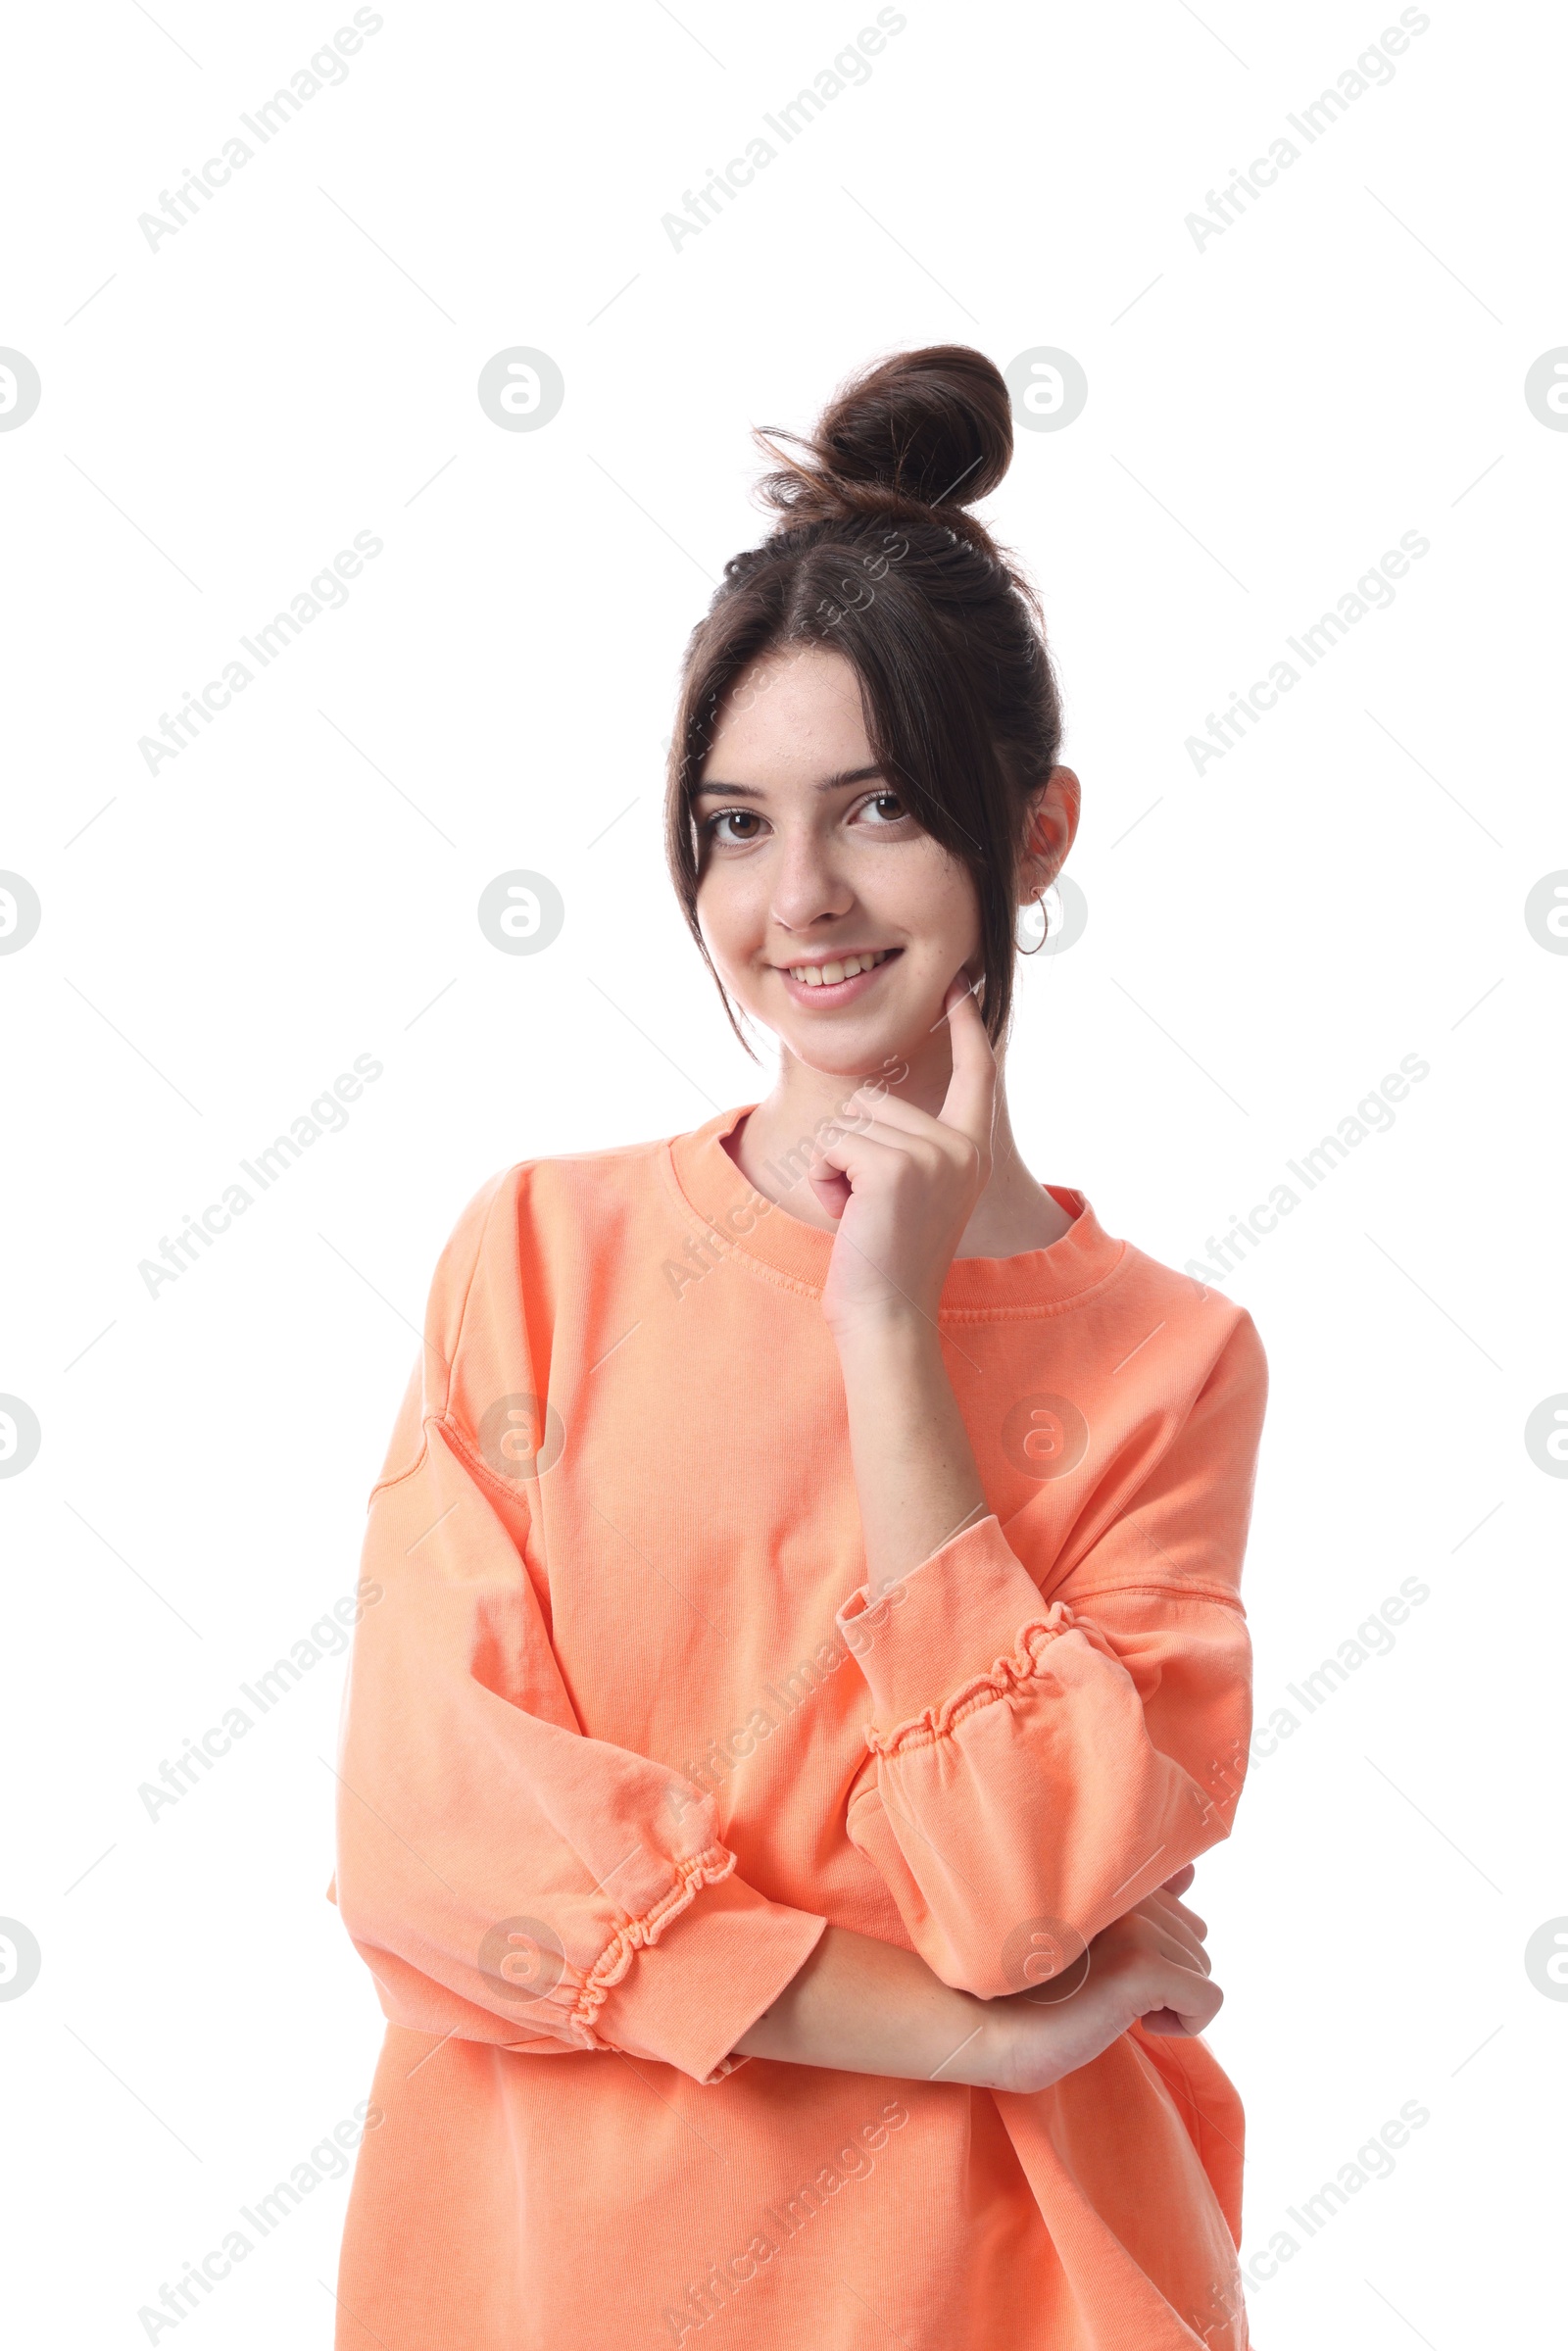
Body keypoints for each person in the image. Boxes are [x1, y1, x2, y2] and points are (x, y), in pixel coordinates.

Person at [328, 345, 1268, 2351]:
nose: (797, 901)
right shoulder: (536, 1257)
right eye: (734, 824)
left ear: (1033, 832)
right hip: (546, 2293)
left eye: (877, 814)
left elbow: (1019, 1891)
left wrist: (886, 1343)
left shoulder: (1169, 1364)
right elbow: (431, 1846)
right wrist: (961, 2037)